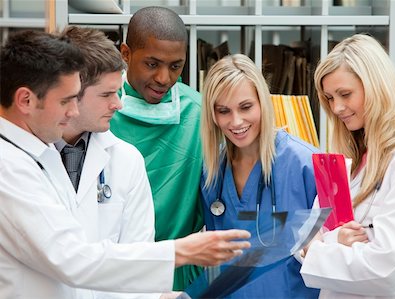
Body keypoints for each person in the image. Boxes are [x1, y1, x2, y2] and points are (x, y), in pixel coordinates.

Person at [0, 30, 251, 299]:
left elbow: (123, 268)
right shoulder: (13, 164)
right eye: (66, 100)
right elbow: (69, 257)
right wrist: (181, 251)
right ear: (25, 100)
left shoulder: (95, 157)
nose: (118, 104)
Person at [299, 34, 395, 298]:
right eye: (330, 98)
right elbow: (303, 242)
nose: (336, 108)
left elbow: (389, 270)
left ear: (377, 87)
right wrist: (331, 244)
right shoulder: (345, 163)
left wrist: (322, 248)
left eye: (345, 94)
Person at [200, 53, 320, 298]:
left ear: (263, 103)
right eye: (224, 111)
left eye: (245, 107)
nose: (236, 121)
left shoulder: (305, 164)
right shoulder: (213, 173)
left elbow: (331, 253)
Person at [56, 26, 159, 299]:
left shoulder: (126, 161)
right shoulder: (21, 158)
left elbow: (138, 266)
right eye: (106, 94)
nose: (119, 104)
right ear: (70, 93)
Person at [110, 6, 203, 291]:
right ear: (125, 54)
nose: (164, 78)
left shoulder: (199, 112)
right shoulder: (99, 110)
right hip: (112, 268)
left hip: (178, 271)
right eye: (152, 64)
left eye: (176, 66)